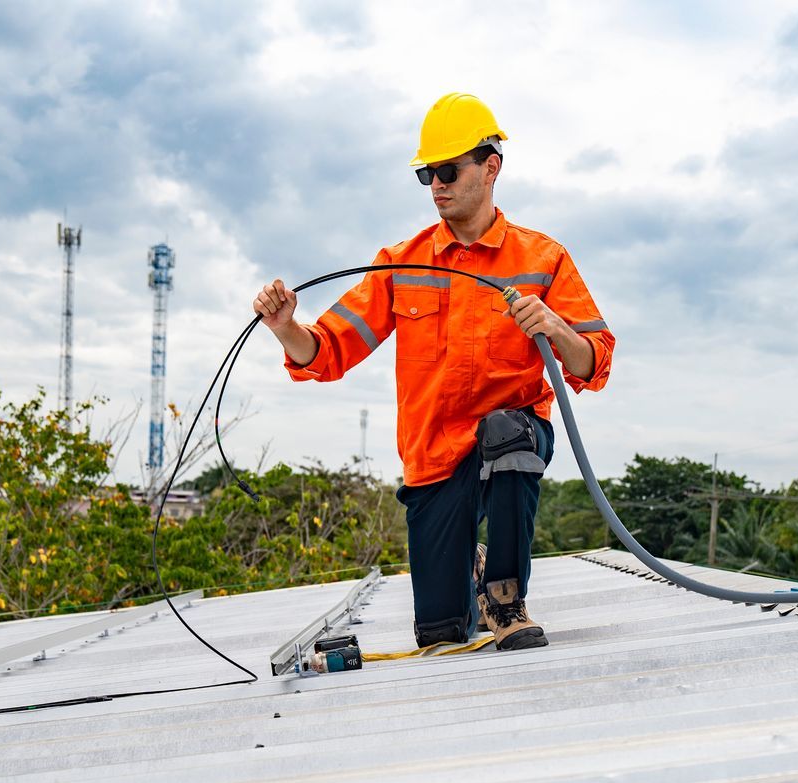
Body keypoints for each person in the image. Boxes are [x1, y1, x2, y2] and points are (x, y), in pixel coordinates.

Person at [255, 92, 614, 650]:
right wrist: (285, 328)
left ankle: (505, 599)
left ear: (491, 168)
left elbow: (594, 361)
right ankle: (468, 573)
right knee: (442, 633)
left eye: (448, 171)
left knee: (508, 433)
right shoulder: (402, 263)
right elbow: (327, 351)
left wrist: (556, 328)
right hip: (433, 458)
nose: (436, 186)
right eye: (427, 174)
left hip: (512, 437)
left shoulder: (543, 259)